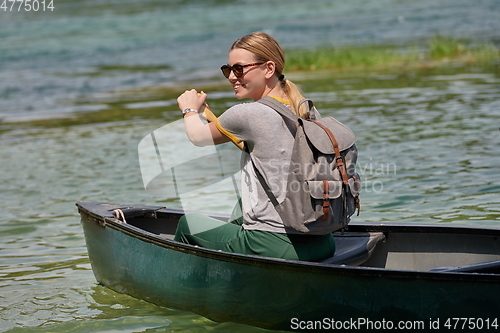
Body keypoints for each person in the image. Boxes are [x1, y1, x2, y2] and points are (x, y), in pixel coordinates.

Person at [174, 32, 335, 261]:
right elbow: (261, 146)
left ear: (268, 69)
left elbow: (198, 137)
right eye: (227, 69)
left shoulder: (248, 113)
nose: (231, 77)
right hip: (323, 242)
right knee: (244, 204)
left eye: (238, 69)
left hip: (274, 245)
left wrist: (189, 109)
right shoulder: (305, 109)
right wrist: (206, 114)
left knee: (187, 224)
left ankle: (190, 288)